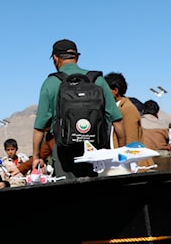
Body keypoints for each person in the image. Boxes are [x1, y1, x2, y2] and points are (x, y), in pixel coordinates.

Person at [32, 39, 124, 180]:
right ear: (77, 57)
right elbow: (117, 120)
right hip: (96, 151)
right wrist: (121, 151)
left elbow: (39, 127)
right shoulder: (97, 80)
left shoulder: (51, 83)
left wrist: (36, 157)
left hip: (64, 152)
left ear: (55, 58)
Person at [105, 73, 141, 147]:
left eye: (105, 90)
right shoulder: (114, 107)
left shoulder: (128, 109)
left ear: (115, 90)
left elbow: (131, 141)